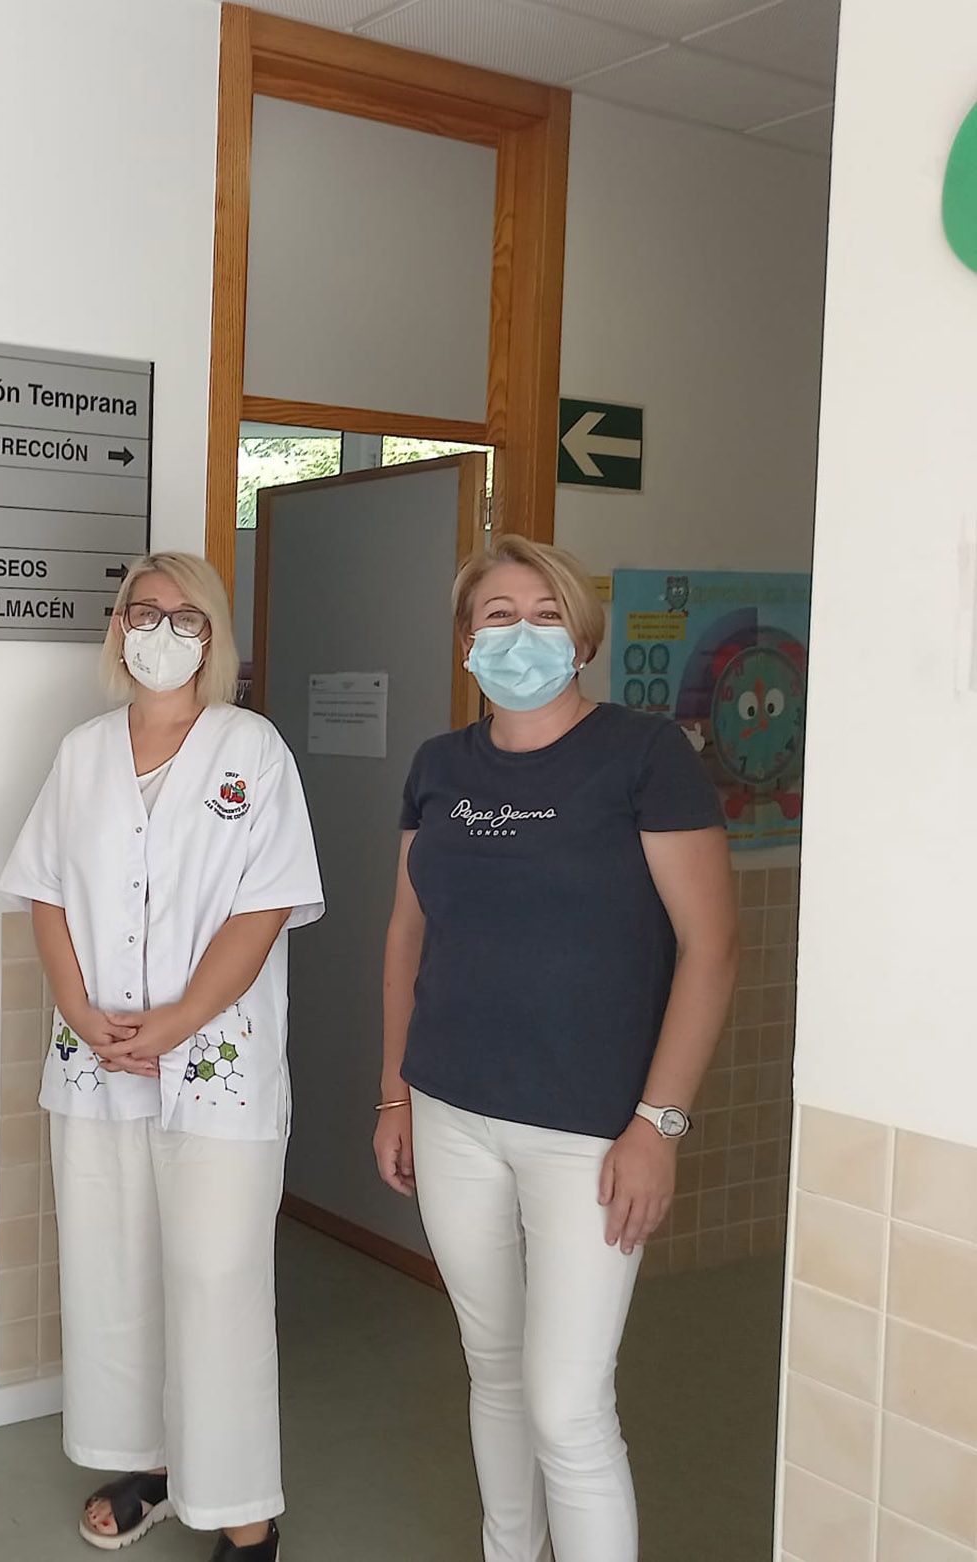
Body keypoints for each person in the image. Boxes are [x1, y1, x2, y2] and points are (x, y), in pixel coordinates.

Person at [373, 535, 738, 1562]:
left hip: (590, 1131)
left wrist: (656, 1125)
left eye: (542, 612)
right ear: (463, 641)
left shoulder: (643, 754)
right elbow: (405, 935)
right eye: (495, 614)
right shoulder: (437, 766)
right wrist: (391, 1098)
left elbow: (709, 949)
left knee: (566, 1405)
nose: (518, 632)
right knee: (490, 1366)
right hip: (448, 1110)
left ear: (579, 637)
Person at [0, 551, 325, 1562]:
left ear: (212, 634)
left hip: (214, 1065)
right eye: (141, 610)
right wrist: (73, 1003)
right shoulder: (83, 752)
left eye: (183, 614)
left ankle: (241, 1506)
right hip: (96, 1059)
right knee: (115, 1267)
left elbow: (265, 902)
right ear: (116, 628)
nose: (159, 628)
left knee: (214, 1275)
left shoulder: (249, 748)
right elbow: (45, 888)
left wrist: (180, 1018)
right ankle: (147, 1461)